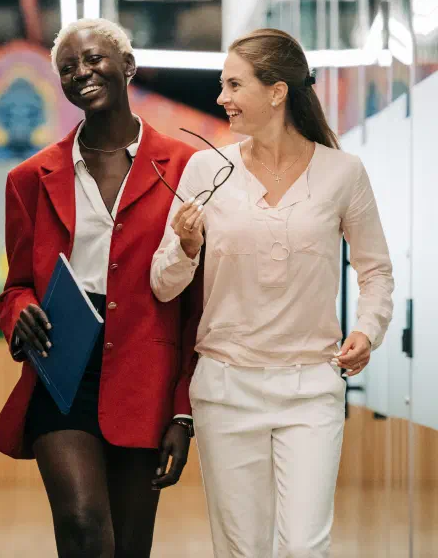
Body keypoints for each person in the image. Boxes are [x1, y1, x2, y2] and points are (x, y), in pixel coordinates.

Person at [151, 28, 394, 558]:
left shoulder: (342, 173)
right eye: (222, 85)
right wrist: (185, 246)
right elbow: (163, 284)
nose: (221, 98)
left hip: (311, 389)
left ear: (277, 92)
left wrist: (366, 330)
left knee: (306, 547)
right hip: (225, 389)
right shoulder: (206, 169)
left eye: (234, 85)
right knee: (242, 549)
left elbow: (376, 272)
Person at [0, 18, 204, 558]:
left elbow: (198, 304)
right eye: (67, 68)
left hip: (145, 370)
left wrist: (183, 412)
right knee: (84, 524)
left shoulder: (186, 168)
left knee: (129, 546)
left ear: (128, 66)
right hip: (61, 367)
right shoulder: (29, 179)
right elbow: (15, 285)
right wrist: (19, 311)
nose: (81, 72)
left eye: (93, 60)